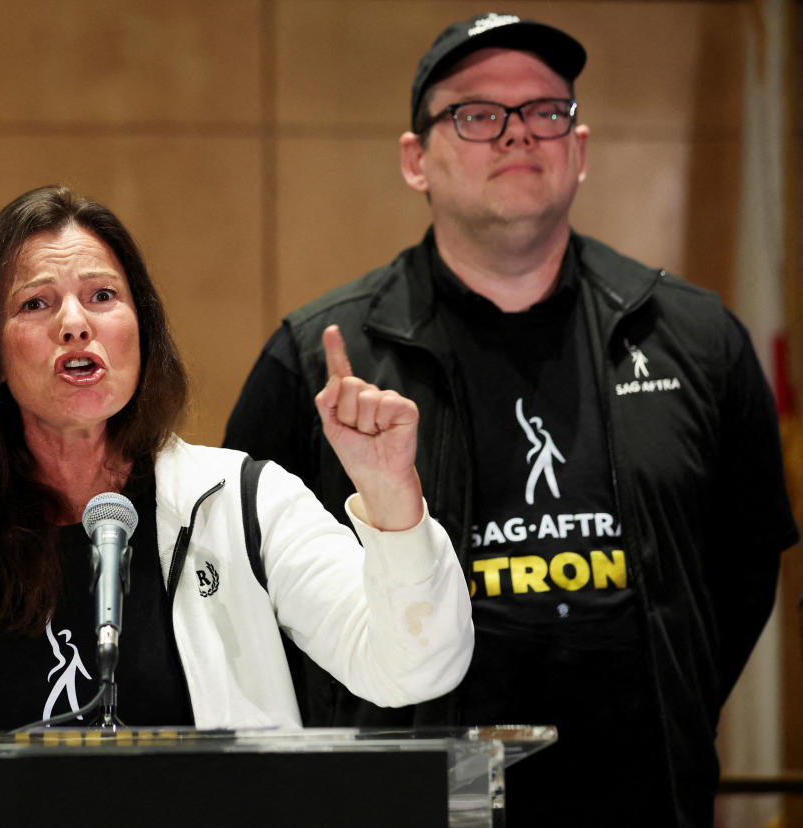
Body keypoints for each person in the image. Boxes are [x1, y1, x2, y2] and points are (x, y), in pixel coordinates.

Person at [223, 13, 798, 828]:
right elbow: (240, 587)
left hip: (644, 795)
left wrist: (679, 698)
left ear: (581, 148)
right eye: (477, 114)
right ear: (416, 160)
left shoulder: (697, 339)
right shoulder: (321, 360)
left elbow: (744, 572)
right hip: (411, 803)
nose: (518, 134)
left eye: (545, 112)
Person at [0, 184, 473, 743]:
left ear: (142, 331)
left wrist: (391, 496)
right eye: (36, 303)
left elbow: (413, 669)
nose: (75, 323)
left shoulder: (242, 502)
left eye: (102, 296)